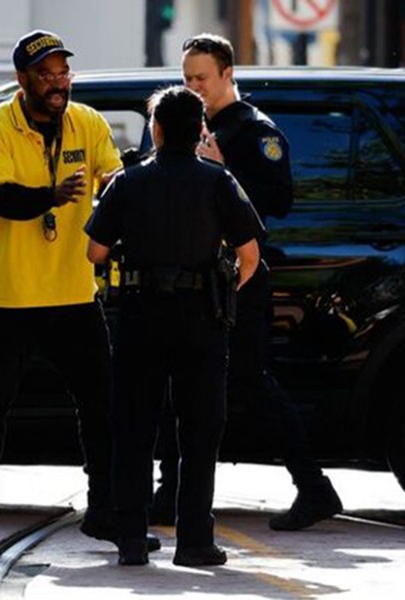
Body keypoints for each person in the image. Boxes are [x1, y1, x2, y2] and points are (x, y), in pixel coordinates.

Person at [0, 30, 158, 555]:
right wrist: (53, 194)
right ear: (22, 80)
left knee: (101, 405)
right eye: (45, 75)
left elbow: (111, 184)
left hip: (73, 293)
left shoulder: (87, 123)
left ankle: (105, 509)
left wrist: (134, 187)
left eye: (62, 73)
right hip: (10, 297)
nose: (57, 83)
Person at [145, 32, 343, 533]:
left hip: (239, 276)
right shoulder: (185, 123)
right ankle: (171, 491)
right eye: (186, 78)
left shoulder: (255, 132)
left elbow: (278, 201)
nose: (193, 87)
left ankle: (314, 488)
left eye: (202, 79)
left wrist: (223, 170)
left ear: (228, 75)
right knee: (177, 383)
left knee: (252, 383)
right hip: (188, 274)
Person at [86, 85, 263, 566]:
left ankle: (130, 539)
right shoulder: (219, 181)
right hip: (202, 318)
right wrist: (220, 290)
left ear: (156, 130)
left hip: (141, 315)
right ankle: (195, 542)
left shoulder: (127, 182)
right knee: (200, 429)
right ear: (199, 130)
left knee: (134, 426)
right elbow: (249, 256)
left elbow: (94, 253)